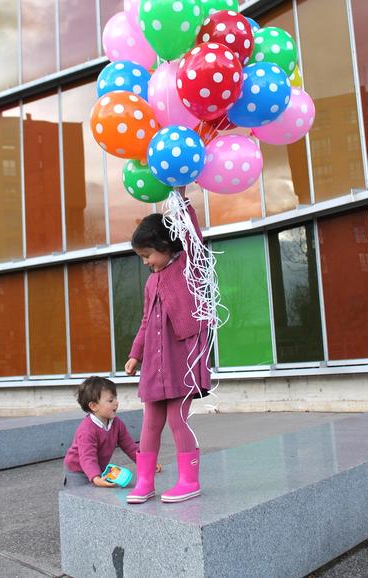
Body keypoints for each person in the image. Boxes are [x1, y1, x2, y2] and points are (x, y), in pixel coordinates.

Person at [125, 187, 211, 504]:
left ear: (164, 245)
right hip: (154, 365)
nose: (146, 262)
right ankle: (144, 481)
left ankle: (189, 480)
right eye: (142, 257)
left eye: (147, 255)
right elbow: (146, 322)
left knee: (178, 419)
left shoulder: (189, 265)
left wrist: (181, 197)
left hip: (182, 360)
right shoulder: (151, 282)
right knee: (150, 423)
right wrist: (135, 354)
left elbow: (193, 236)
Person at [63, 376, 144, 487]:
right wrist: (96, 478)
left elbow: (129, 446)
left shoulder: (117, 423)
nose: (116, 402)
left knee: (97, 495)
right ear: (94, 406)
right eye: (111, 400)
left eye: (115, 398)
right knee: (78, 497)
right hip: (77, 471)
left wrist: (145, 464)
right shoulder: (87, 430)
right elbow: (87, 458)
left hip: (97, 467)